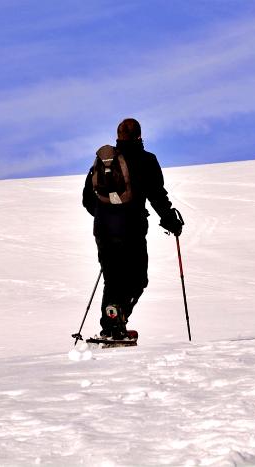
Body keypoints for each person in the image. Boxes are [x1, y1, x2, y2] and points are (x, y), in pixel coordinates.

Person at [82, 118, 183, 339]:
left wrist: (105, 216)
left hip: (103, 230)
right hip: (132, 229)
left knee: (112, 277)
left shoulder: (103, 162)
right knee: (137, 278)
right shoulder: (146, 160)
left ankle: (111, 325)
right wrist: (170, 221)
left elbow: (87, 200)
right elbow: (157, 195)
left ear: (118, 137)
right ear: (139, 136)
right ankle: (117, 320)